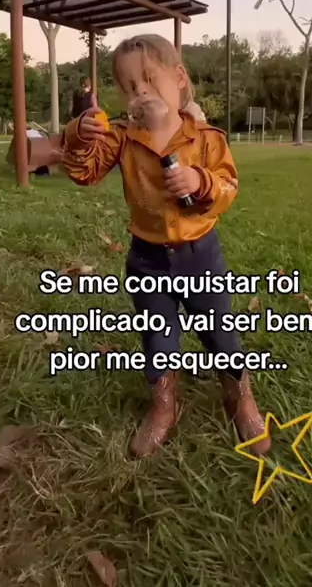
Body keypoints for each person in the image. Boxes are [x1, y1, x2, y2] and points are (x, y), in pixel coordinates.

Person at [61, 34, 270, 459]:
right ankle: (164, 405)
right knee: (158, 337)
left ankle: (239, 397)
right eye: (129, 86)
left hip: (200, 256)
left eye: (149, 79)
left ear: (178, 78)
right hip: (148, 259)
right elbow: (84, 173)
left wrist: (200, 181)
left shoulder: (207, 138)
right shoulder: (122, 138)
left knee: (220, 331)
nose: (140, 92)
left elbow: (228, 186)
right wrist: (78, 135)